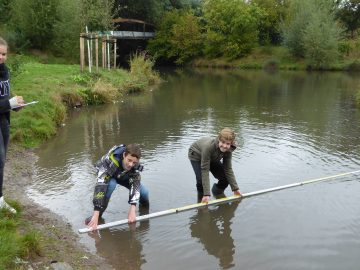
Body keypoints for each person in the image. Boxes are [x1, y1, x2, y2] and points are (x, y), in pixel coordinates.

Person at [86, 143, 149, 231]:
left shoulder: (134, 164)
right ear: (124, 155)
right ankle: (98, 216)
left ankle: (145, 213)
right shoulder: (110, 162)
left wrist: (132, 209)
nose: (131, 164)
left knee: (144, 192)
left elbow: (135, 184)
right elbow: (100, 187)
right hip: (110, 173)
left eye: (134, 162)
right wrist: (96, 213)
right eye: (129, 160)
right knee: (111, 185)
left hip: (123, 174)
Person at [0, 37, 25, 213]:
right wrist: (9, 103)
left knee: (2, 162)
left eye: (3, 54)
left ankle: (0, 200)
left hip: (4, 121)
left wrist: (15, 106)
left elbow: (4, 100)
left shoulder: (5, 72)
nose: (1, 57)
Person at [188, 128, 242, 203]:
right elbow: (205, 170)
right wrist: (206, 194)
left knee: (225, 178)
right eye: (223, 142)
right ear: (219, 139)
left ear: (231, 143)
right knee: (201, 180)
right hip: (196, 155)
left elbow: (228, 169)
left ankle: (217, 192)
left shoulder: (228, 150)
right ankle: (201, 200)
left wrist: (235, 189)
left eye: (228, 144)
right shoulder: (208, 147)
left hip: (212, 157)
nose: (224, 146)